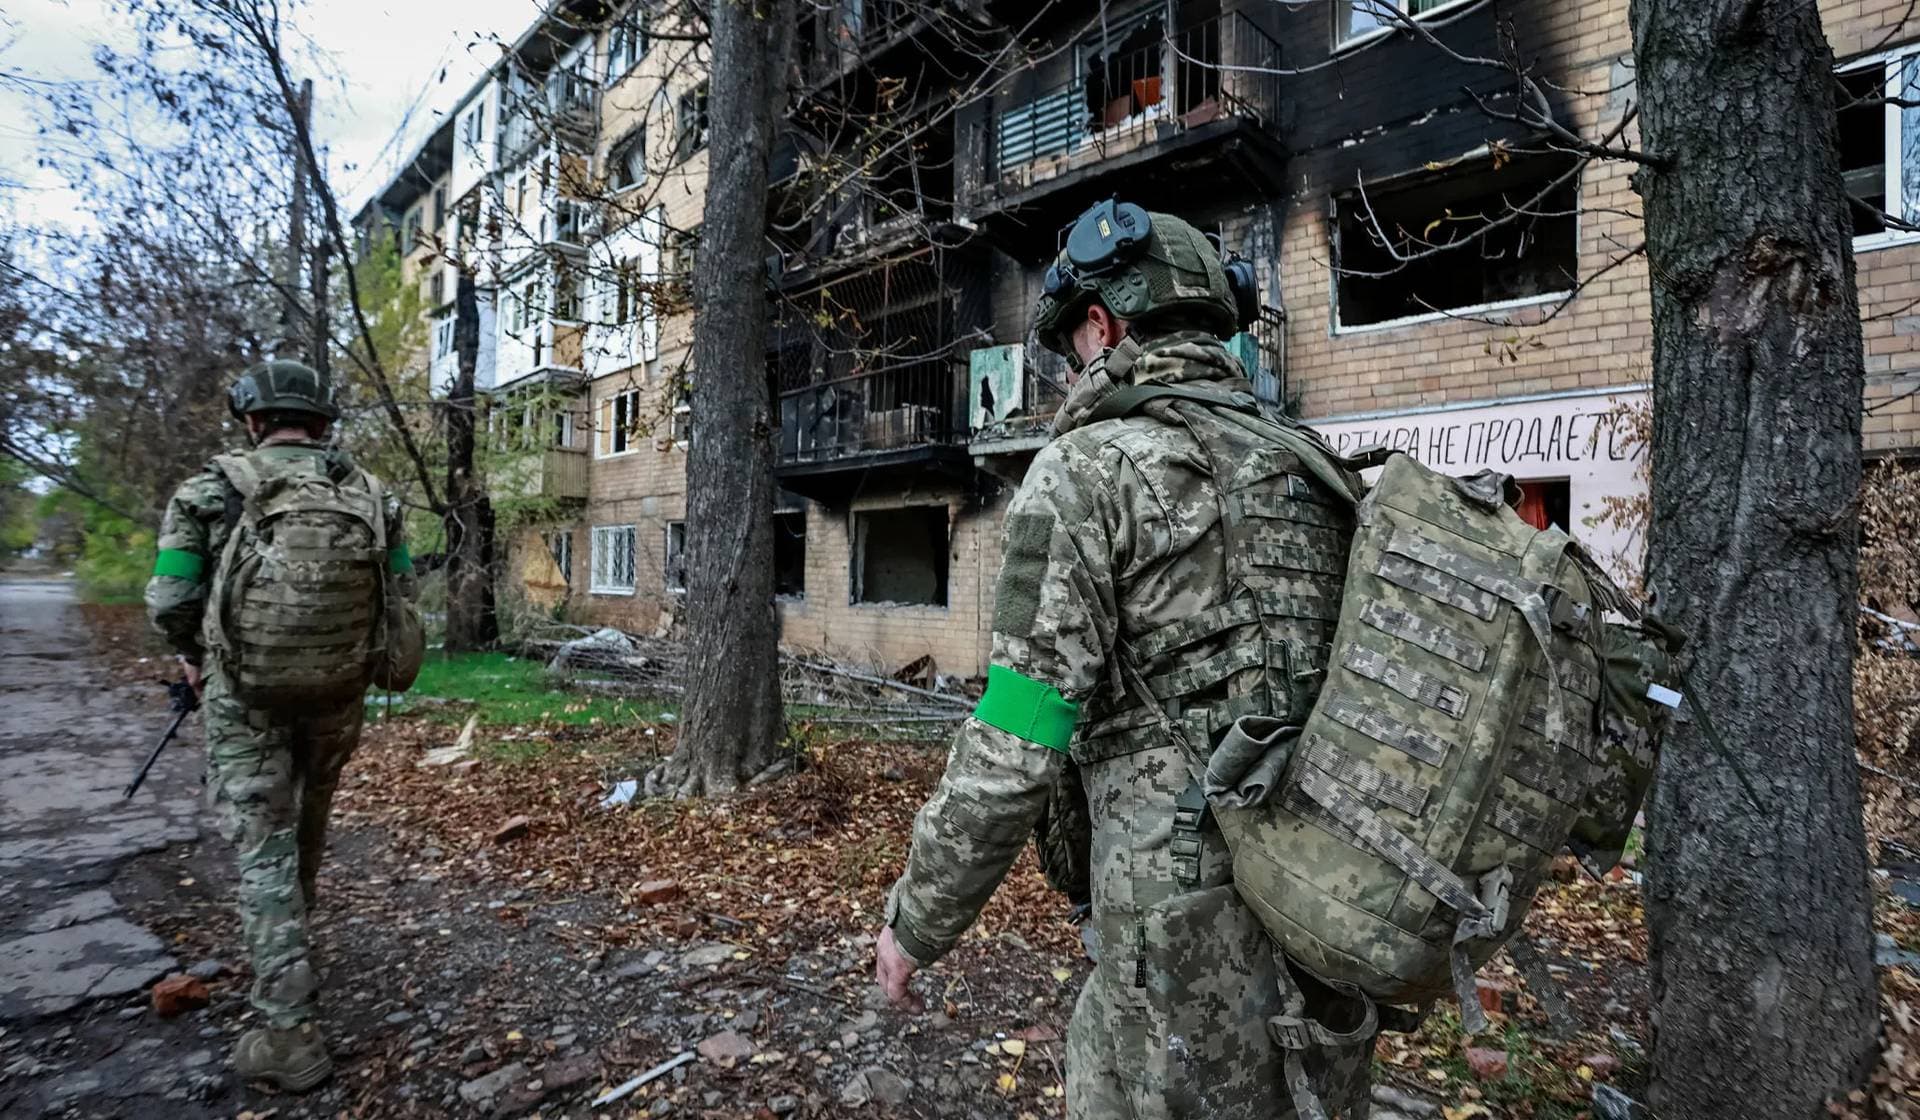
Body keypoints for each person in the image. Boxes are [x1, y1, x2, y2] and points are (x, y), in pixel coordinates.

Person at [874, 202, 1376, 1119]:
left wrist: (920, 918)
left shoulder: (1086, 474)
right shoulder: (1313, 470)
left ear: (1100, 326)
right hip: (1328, 916)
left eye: (1071, 345)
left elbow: (1019, 736)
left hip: (1177, 947)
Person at [146, 360, 413, 1092]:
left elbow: (171, 596)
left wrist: (193, 656)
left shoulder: (208, 489)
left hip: (245, 694)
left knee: (263, 838)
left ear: (253, 419)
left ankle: (288, 1031)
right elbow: (402, 588)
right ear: (324, 423)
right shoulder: (371, 492)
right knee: (311, 815)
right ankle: (294, 943)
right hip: (338, 689)